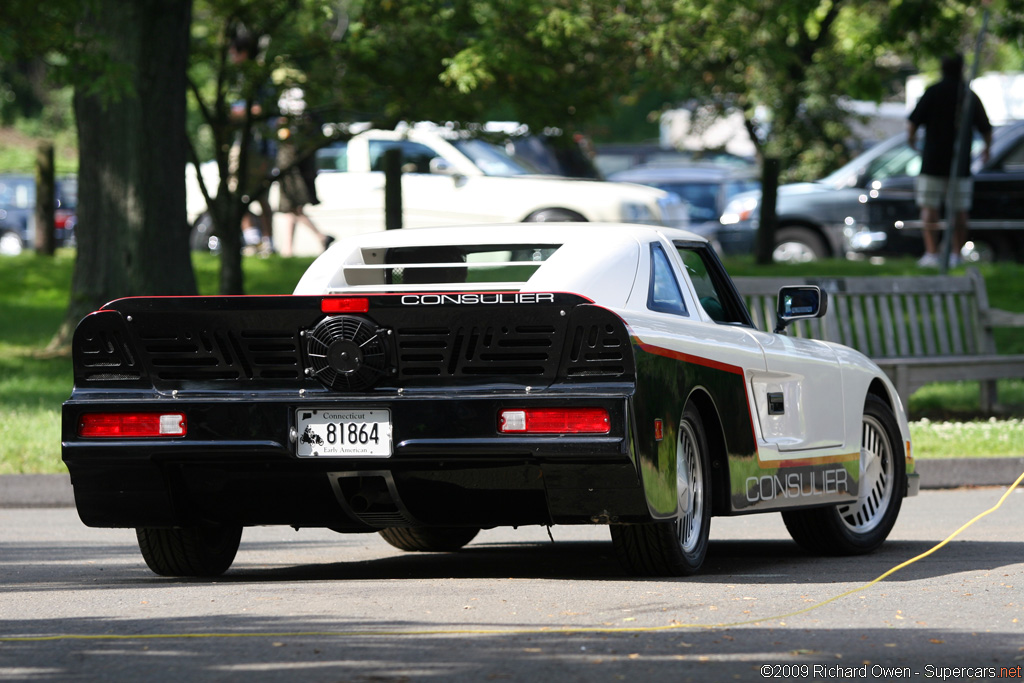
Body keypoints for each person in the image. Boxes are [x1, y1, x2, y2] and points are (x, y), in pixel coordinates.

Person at [906, 54, 992, 268]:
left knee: (930, 208)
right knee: (959, 209)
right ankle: (955, 254)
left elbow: (912, 124)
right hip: (959, 162)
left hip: (933, 161)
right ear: (961, 69)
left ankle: (932, 253)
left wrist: (913, 142)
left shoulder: (934, 92)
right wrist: (986, 150)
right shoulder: (967, 95)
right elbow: (986, 129)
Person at [275, 88, 331, 257]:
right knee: (292, 208)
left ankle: (320, 236)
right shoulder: (308, 122)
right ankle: (288, 249)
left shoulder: (297, 125)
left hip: (294, 170)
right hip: (295, 169)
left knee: (292, 207)